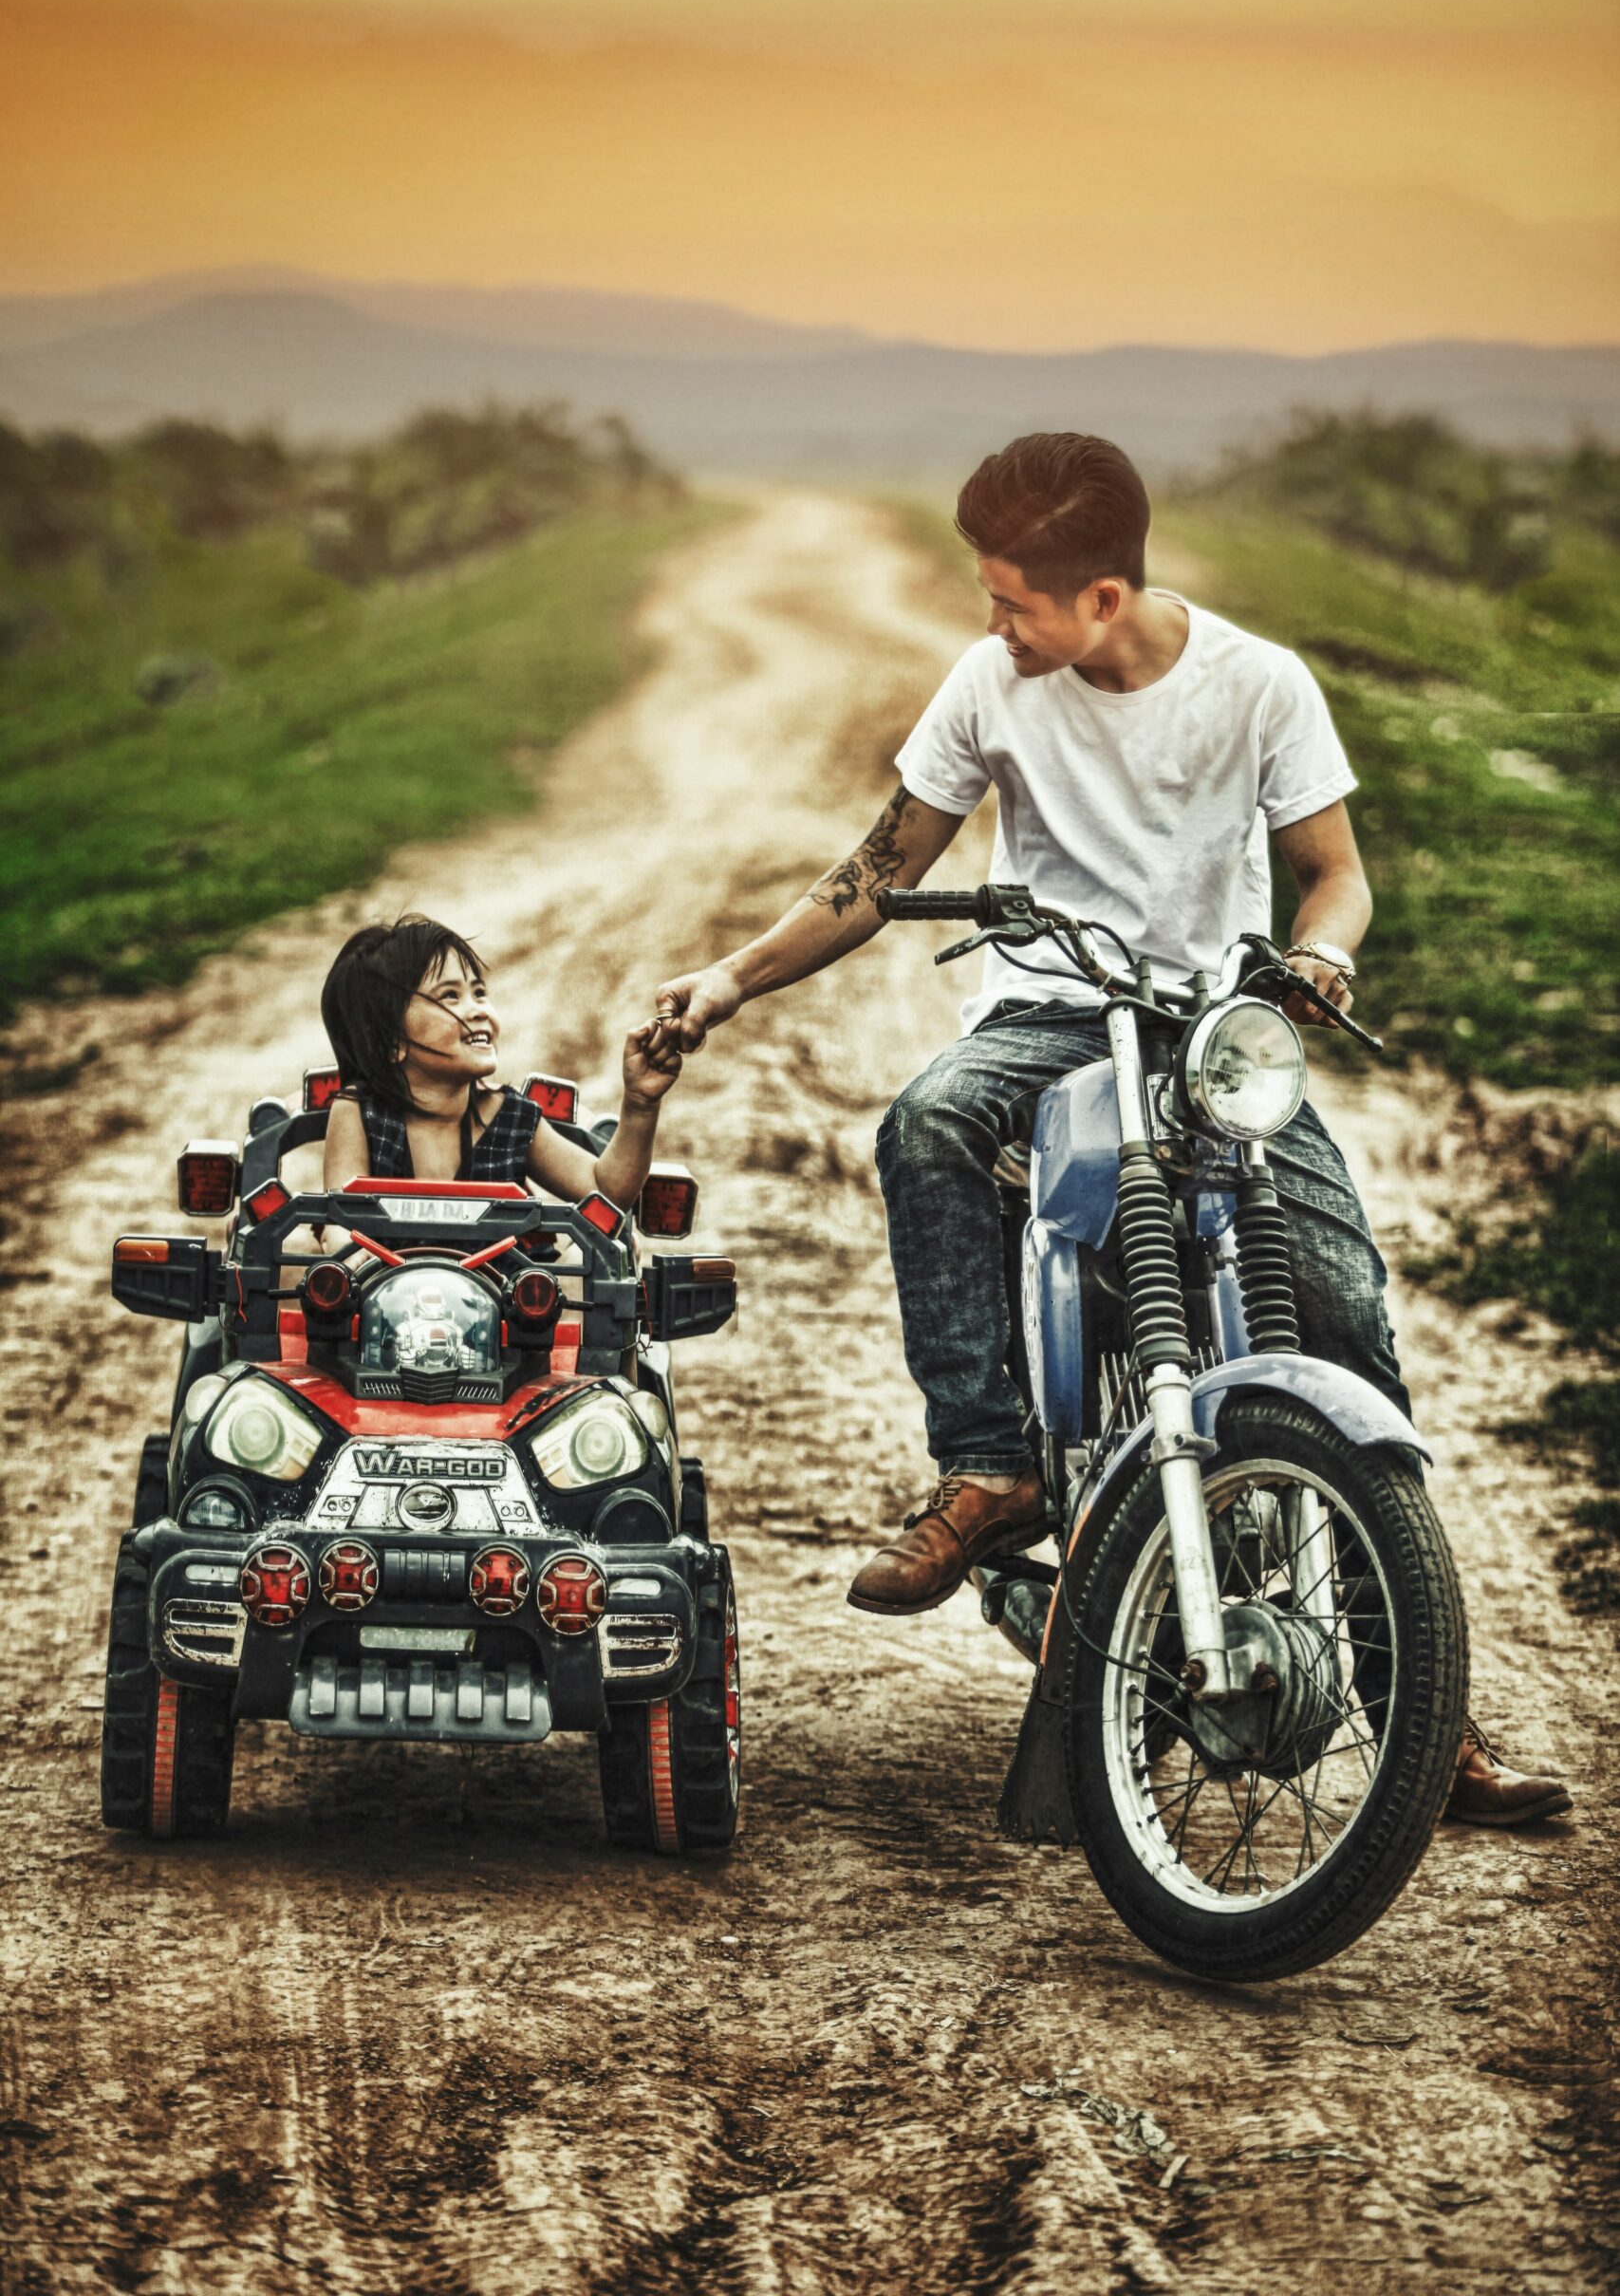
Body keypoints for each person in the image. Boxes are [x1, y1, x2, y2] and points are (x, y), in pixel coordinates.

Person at [656, 432, 1571, 1831]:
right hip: (1047, 1018)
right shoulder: (988, 685)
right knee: (925, 1126)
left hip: (1213, 1029)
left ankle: (1417, 1709)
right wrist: (725, 980)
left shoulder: (1258, 684)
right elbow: (877, 868)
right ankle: (990, 1462)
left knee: (1342, 1316)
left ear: (1099, 597)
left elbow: (1331, 879)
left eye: (1010, 597)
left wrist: (1315, 961)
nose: (989, 619)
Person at [320, 915, 680, 1202]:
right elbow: (339, 1217)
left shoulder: (510, 1117)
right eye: (449, 996)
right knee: (297, 1253)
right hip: (386, 1290)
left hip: (504, 1293)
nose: (477, 1009)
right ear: (390, 1042)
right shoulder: (359, 1112)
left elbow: (605, 1189)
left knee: (580, 1264)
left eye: (478, 992)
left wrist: (640, 1104)